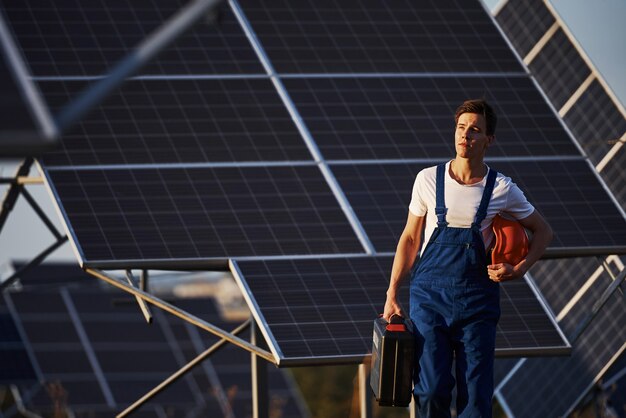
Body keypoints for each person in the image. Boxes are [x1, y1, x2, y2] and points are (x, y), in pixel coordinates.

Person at [382, 99, 553, 417]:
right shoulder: (428, 180)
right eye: (461, 128)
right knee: (431, 390)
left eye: (475, 130)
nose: (466, 135)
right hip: (429, 300)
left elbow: (543, 232)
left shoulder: (501, 188)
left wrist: (519, 269)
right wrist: (392, 292)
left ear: (489, 140)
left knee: (476, 399)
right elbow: (409, 239)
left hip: (477, 302)